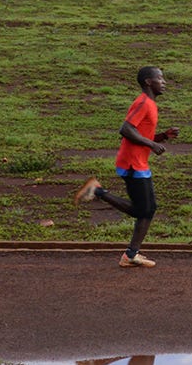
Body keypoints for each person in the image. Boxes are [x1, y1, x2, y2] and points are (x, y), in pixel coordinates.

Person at [73, 65, 178, 268]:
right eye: (160, 78)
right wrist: (152, 144)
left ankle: (131, 254)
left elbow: (140, 134)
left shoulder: (151, 104)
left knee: (146, 209)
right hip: (132, 163)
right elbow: (126, 129)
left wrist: (162, 136)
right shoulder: (143, 103)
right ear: (148, 82)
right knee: (145, 210)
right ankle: (97, 191)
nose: (163, 82)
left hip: (138, 162)